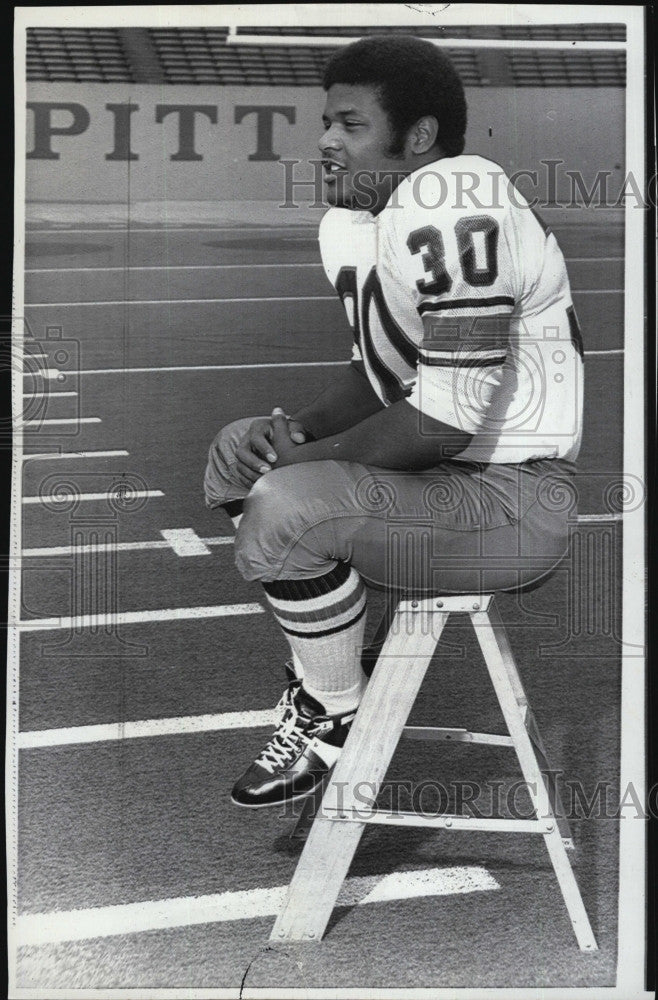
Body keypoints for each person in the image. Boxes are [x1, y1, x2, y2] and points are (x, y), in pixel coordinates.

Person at [204, 35, 583, 808]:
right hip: (448, 481)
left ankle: (332, 709)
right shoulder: (358, 223)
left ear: (417, 137)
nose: (325, 142)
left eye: (349, 125)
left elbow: (443, 422)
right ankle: (327, 675)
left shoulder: (456, 198)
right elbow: (382, 378)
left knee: (284, 503)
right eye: (326, 123)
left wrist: (300, 468)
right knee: (233, 452)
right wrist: (296, 432)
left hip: (515, 498)